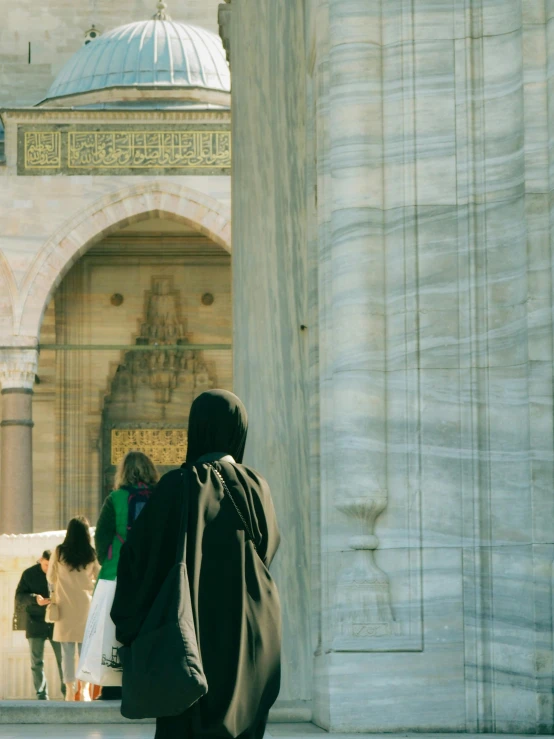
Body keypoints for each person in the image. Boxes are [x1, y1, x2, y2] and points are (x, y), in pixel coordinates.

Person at [112, 389, 281, 739]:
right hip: (253, 628)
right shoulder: (258, 486)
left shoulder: (178, 485)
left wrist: (130, 625)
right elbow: (267, 550)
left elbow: (138, 561)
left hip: (191, 635)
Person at [94, 450, 159, 699]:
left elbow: (101, 538)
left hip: (116, 573)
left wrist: (107, 561)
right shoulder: (160, 498)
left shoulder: (115, 498)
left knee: (111, 631)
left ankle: (112, 687)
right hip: (152, 575)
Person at [47, 516, 99, 701]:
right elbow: (98, 576)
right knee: (85, 650)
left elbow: (51, 576)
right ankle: (84, 688)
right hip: (86, 605)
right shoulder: (91, 553)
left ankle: (70, 688)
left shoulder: (60, 552)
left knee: (67, 652)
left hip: (64, 606)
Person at [14, 550, 66, 700]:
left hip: (56, 622)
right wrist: (34, 598)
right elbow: (19, 597)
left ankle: (67, 692)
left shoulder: (60, 572)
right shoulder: (29, 574)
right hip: (35, 622)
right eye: (46, 565)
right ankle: (42, 695)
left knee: (62, 660)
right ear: (40, 560)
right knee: (36, 661)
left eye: (51, 565)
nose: (48, 568)